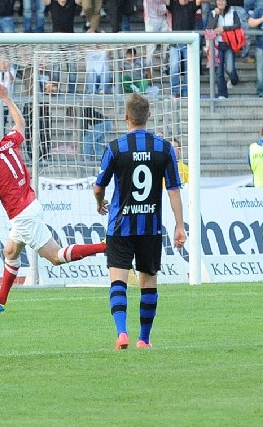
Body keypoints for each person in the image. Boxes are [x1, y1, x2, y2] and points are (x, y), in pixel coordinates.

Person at [0, 83, 107, 312]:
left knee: (55, 257)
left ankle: (105, 247)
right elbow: (20, 124)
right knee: (10, 251)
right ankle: (0, 299)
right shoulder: (7, 142)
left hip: (21, 213)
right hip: (31, 203)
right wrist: (6, 98)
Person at [94, 93, 186, 349]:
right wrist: (179, 225)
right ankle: (144, 339)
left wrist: (99, 202)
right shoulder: (164, 148)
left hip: (120, 226)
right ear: (149, 116)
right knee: (148, 282)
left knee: (118, 280)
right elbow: (174, 189)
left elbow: (99, 187)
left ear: (126, 117)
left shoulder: (115, 148)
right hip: (150, 227)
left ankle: (122, 332)